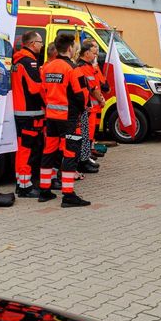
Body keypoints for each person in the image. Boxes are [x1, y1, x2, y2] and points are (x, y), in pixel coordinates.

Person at [39, 33, 91, 207]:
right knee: (70, 154)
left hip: (51, 117)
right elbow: (81, 95)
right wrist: (83, 109)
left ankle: (44, 190)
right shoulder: (73, 69)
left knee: (49, 152)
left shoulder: (47, 67)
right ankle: (68, 195)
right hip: (69, 119)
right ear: (70, 48)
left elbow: (43, 91)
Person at [12, 31, 45, 198]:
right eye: (40, 42)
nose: (42, 45)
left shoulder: (17, 61)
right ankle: (25, 186)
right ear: (33, 43)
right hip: (30, 113)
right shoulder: (29, 62)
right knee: (27, 150)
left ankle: (22, 182)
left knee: (23, 148)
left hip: (22, 112)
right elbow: (34, 87)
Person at [74, 39, 102, 174]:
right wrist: (100, 99)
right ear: (86, 53)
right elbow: (92, 87)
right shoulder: (82, 67)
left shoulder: (88, 66)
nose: (95, 54)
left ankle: (85, 159)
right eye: (93, 51)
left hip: (87, 106)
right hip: (85, 106)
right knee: (84, 135)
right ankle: (82, 162)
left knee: (87, 135)